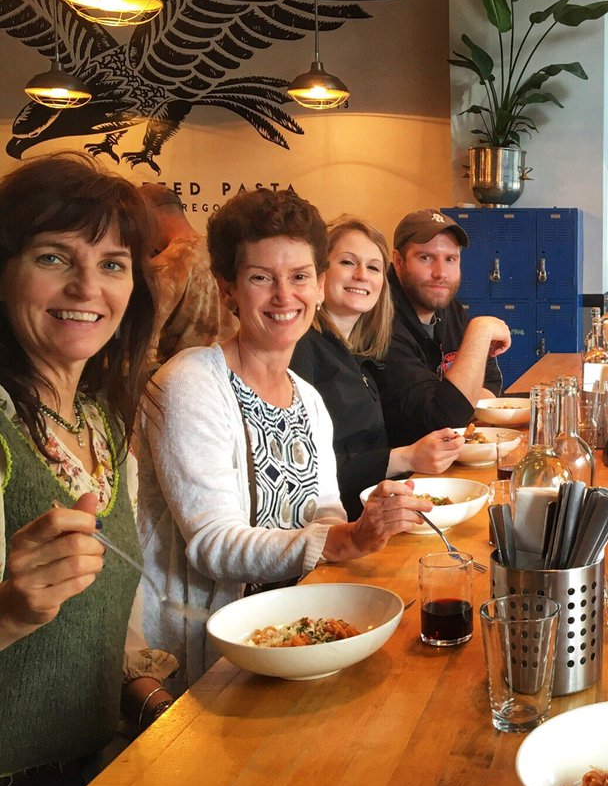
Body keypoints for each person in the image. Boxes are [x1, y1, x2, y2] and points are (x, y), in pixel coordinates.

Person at [137, 190, 430, 689]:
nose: (283, 296)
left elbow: (325, 512)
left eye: (298, 277)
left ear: (318, 285)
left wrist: (368, 519)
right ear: (228, 290)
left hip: (297, 637)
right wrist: (345, 540)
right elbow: (213, 545)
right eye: (260, 278)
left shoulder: (308, 398)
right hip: (210, 662)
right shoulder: (190, 382)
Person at [0, 154, 165, 786]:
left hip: (94, 772)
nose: (86, 288)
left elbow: (105, 622)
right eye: (53, 258)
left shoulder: (103, 422)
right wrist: (8, 612)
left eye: (112, 265)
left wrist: (149, 697)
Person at [290, 217, 463, 519]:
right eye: (348, 262)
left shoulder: (361, 352)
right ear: (319, 273)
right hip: (336, 529)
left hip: (379, 514)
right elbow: (303, 472)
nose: (361, 275)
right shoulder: (301, 348)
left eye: (373, 267)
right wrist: (405, 457)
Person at [373, 209, 509, 447]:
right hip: (405, 466)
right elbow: (439, 418)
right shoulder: (380, 320)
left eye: (450, 259)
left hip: (449, 456)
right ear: (398, 262)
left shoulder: (448, 308)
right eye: (425, 257)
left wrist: (463, 405)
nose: (441, 273)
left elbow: (490, 380)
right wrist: (480, 330)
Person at [139, 183, 237, 367]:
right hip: (232, 374)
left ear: (149, 217)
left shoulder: (166, 265)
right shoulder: (224, 256)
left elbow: (143, 347)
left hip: (183, 374)